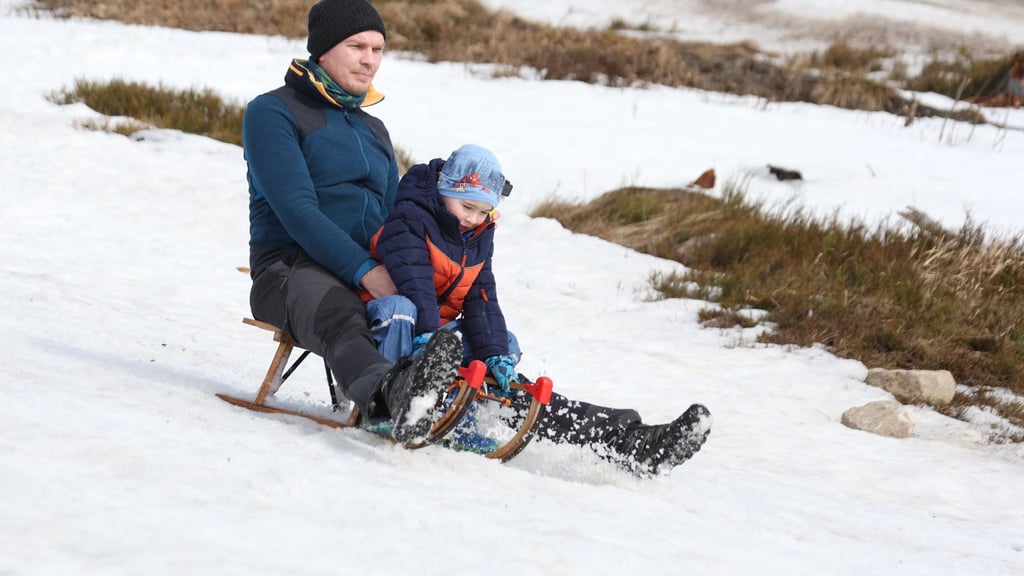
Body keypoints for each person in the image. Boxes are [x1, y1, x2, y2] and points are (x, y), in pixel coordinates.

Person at [366, 144, 712, 476]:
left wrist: (496, 355)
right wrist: (428, 340)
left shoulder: (475, 236)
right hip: (390, 340)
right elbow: (417, 285)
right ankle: (407, 406)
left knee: (502, 348)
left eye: (483, 211)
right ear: (444, 190)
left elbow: (481, 299)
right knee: (401, 308)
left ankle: (629, 442)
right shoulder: (411, 218)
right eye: (466, 207)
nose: (473, 219)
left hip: (434, 342)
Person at [242, 0, 464, 445]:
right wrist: (366, 271)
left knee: (458, 314)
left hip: (369, 269)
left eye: (378, 48)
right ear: (323, 50)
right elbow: (299, 212)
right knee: (344, 316)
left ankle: (578, 424)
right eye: (357, 46)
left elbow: (394, 218)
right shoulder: (272, 114)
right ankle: (393, 395)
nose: (370, 60)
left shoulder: (373, 128)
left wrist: (423, 268)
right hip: (290, 271)